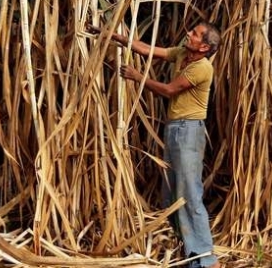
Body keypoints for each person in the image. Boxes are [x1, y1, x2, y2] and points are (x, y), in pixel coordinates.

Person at [88, 21, 222, 268]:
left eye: (194, 34)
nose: (188, 34)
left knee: (190, 194)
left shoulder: (202, 68)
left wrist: (137, 77)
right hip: (175, 129)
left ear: (204, 47)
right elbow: (146, 49)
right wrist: (112, 35)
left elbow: (170, 90)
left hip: (189, 132)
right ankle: (192, 255)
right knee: (171, 194)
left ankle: (208, 260)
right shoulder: (182, 53)